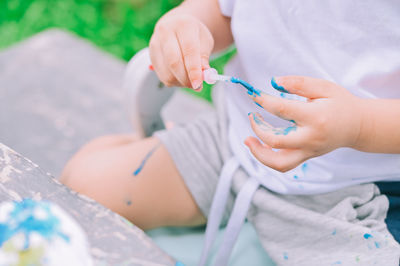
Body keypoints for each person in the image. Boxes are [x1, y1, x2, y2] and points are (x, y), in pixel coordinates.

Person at [60, 0, 400, 265]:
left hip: (354, 193)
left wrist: (360, 124)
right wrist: (187, 24)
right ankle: (154, 145)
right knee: (82, 186)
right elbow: (221, 11)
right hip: (234, 142)